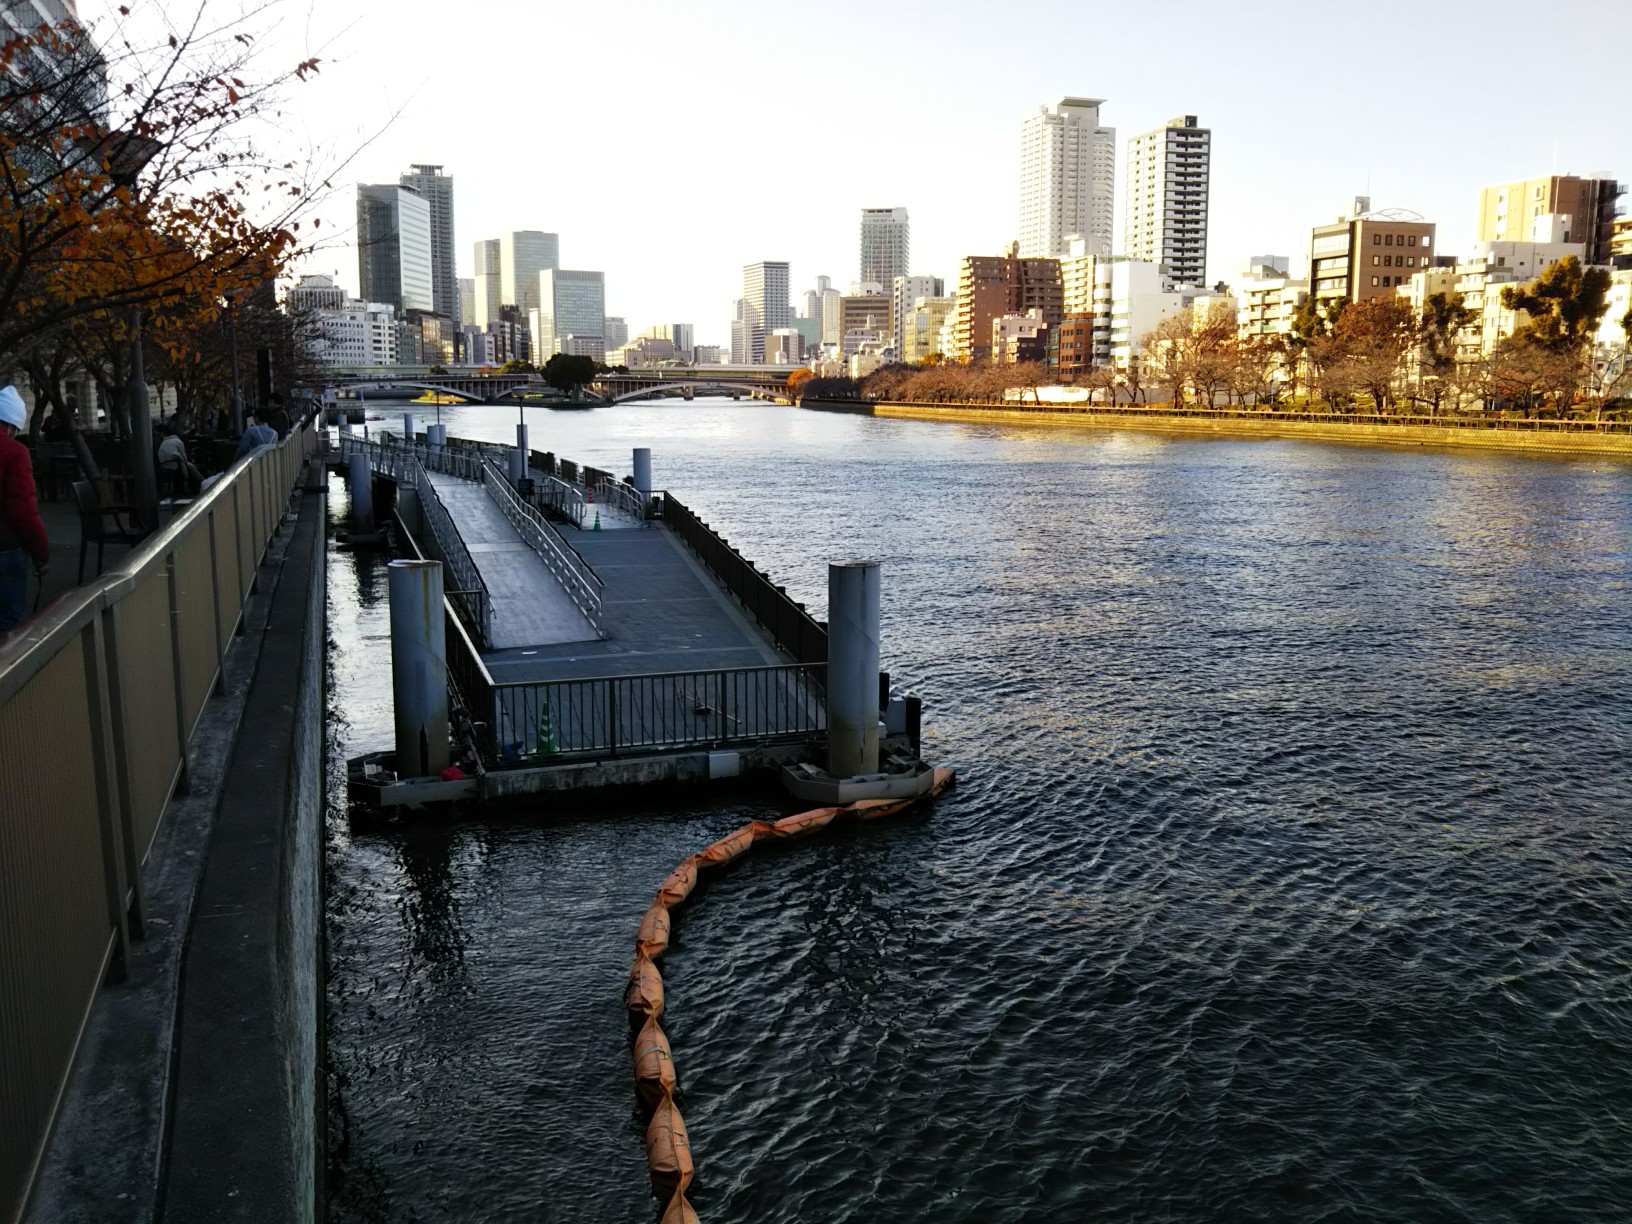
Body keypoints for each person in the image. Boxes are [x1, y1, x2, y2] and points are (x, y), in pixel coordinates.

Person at [0, 385, 49, 631]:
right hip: (5, 549)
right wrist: (41, 555)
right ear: (9, 425)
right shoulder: (14, 452)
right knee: (8, 623)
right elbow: (23, 512)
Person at [156, 425, 203, 495]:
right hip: (174, 464)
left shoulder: (163, 442)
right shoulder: (179, 442)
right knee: (190, 466)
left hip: (162, 464)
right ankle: (201, 482)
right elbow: (184, 457)